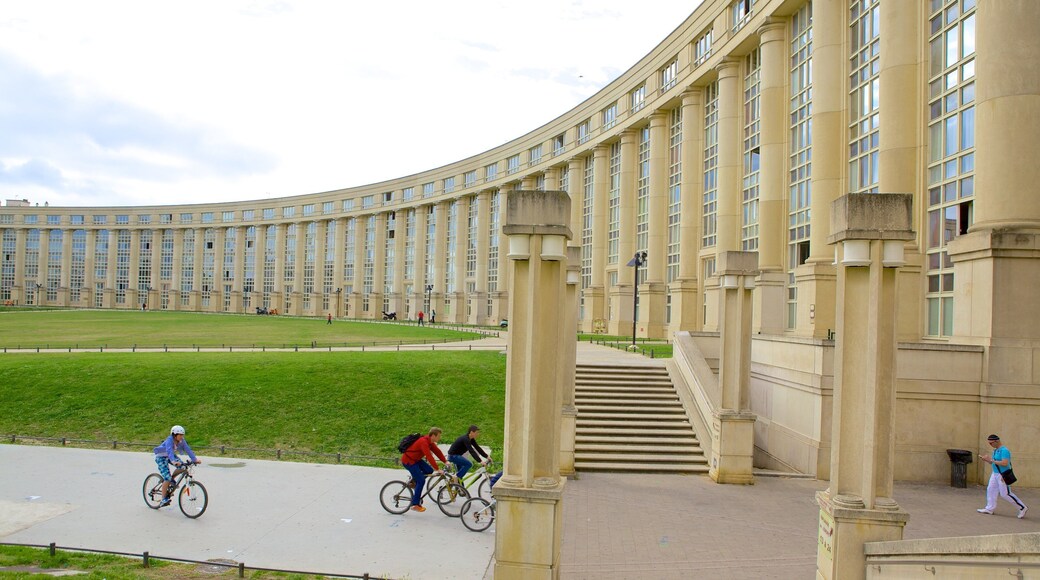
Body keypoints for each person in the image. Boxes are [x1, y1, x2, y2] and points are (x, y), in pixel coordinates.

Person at [978, 434, 1027, 518]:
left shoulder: (1004, 450)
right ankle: (990, 508)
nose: (990, 445)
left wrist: (991, 460)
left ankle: (1022, 507)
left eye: (991, 443)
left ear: (997, 441)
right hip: (995, 473)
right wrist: (987, 460)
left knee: (1005, 494)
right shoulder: (996, 450)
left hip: (1003, 474)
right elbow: (993, 462)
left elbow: (1005, 463)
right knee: (991, 489)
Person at [400, 427, 449, 512]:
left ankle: (414, 482)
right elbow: (429, 456)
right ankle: (415, 504)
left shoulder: (430, 442)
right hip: (408, 461)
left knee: (429, 470)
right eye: (438, 436)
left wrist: (445, 461)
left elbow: (437, 451)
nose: (439, 438)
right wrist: (438, 469)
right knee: (421, 481)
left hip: (416, 460)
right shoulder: (423, 442)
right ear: (433, 435)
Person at [153, 425, 201, 507]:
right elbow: (169, 450)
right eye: (180, 435)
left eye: (182, 435)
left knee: (183, 467)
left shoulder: (182, 441)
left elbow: (187, 449)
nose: (182, 437)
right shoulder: (169, 440)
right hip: (161, 457)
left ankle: (172, 479)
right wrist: (173, 461)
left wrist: (194, 459)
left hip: (171, 456)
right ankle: (163, 499)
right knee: (167, 478)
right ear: (174, 435)